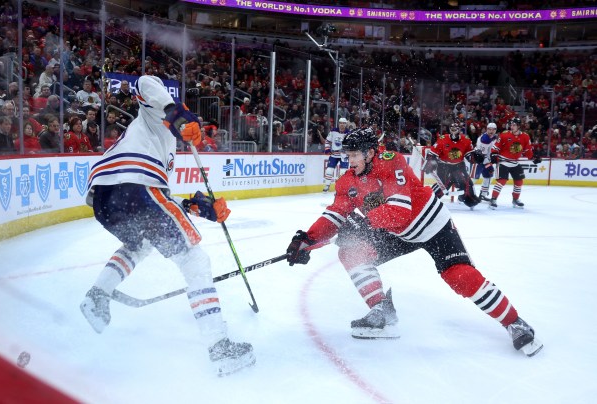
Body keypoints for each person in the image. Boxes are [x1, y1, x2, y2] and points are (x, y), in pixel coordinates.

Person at [285, 128, 543, 357]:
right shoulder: (348, 181)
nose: (349, 161)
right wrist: (307, 240)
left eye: (354, 155)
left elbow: (399, 212)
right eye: (348, 155)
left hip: (432, 225)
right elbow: (336, 214)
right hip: (398, 232)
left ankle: (515, 323)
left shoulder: (391, 163)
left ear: (370, 153)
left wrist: (363, 225)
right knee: (352, 252)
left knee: (460, 277)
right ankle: (381, 313)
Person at [80, 75, 255, 376]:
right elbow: (146, 83)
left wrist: (198, 207)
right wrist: (176, 112)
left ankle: (97, 295)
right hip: (134, 185)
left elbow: (158, 203)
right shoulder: (153, 111)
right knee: (195, 260)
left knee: (141, 242)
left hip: (106, 196)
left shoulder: (164, 144)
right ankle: (219, 347)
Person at [422, 122, 480, 208]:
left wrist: (476, 157)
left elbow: (469, 156)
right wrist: (430, 162)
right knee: (443, 184)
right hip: (444, 166)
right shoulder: (442, 139)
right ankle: (428, 200)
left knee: (466, 182)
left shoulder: (466, 140)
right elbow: (433, 153)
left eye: (455, 129)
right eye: (452, 129)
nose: (453, 131)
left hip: (459, 166)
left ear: (459, 130)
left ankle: (469, 199)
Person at [489, 117, 541, 209]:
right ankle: (493, 199)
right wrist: (493, 154)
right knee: (502, 181)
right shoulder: (504, 135)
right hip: (503, 162)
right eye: (511, 125)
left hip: (514, 163)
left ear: (519, 126)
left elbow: (527, 150)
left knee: (519, 181)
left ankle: (515, 199)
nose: (511, 127)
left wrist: (533, 158)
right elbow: (496, 146)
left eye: (514, 125)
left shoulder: (525, 136)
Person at [322, 117, 350, 192]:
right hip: (334, 154)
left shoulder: (349, 133)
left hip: (344, 155)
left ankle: (341, 187)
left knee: (343, 172)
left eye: (343, 123)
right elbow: (327, 141)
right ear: (338, 123)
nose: (342, 125)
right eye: (340, 123)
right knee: (329, 170)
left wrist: (348, 150)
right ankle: (327, 186)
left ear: (346, 124)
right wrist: (327, 149)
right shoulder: (333, 131)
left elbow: (351, 144)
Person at [472, 122, 498, 201]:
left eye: (493, 130)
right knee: (474, 178)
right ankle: (466, 194)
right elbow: (485, 142)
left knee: (489, 175)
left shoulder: (492, 137)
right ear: (487, 129)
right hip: (479, 161)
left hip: (486, 161)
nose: (491, 131)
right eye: (489, 129)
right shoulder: (485, 138)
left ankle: (483, 194)